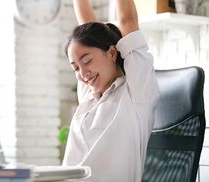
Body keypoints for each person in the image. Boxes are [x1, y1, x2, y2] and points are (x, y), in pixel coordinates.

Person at [62, 0, 159, 181]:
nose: (83, 74)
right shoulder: (88, 96)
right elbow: (87, 30)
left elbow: (127, 20)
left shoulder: (136, 94)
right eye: (75, 68)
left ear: (112, 53)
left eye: (87, 61)